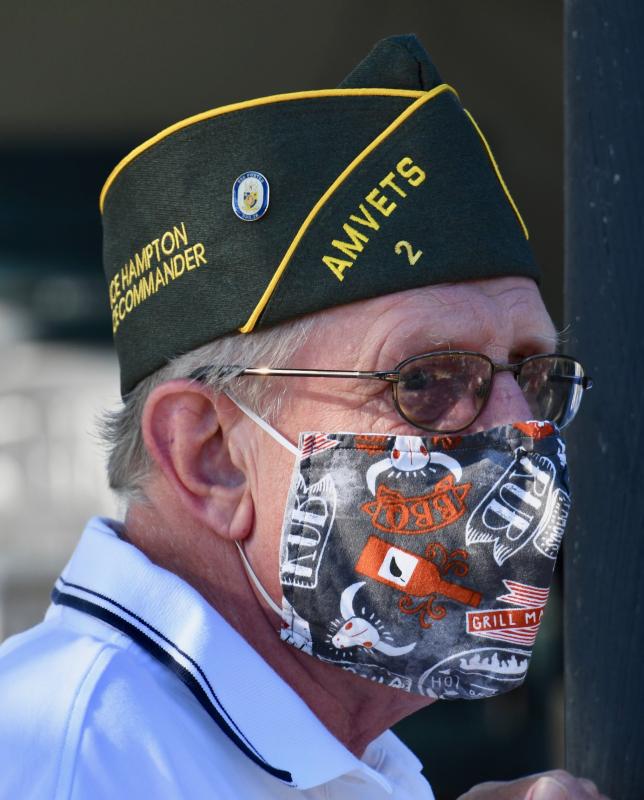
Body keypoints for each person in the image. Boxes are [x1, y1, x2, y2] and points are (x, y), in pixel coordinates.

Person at [0, 35, 608, 800]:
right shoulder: (71, 758)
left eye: (535, 374)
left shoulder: (325, 755)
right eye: (426, 380)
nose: (525, 433)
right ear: (210, 456)